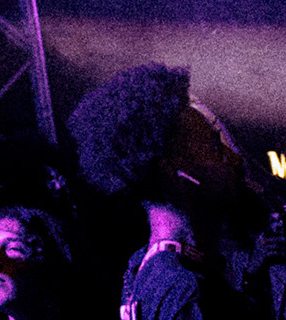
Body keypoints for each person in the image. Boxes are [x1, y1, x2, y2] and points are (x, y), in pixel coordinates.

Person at [68, 64, 282, 320]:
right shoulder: (184, 290)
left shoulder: (146, 266)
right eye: (215, 148)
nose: (234, 159)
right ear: (172, 171)